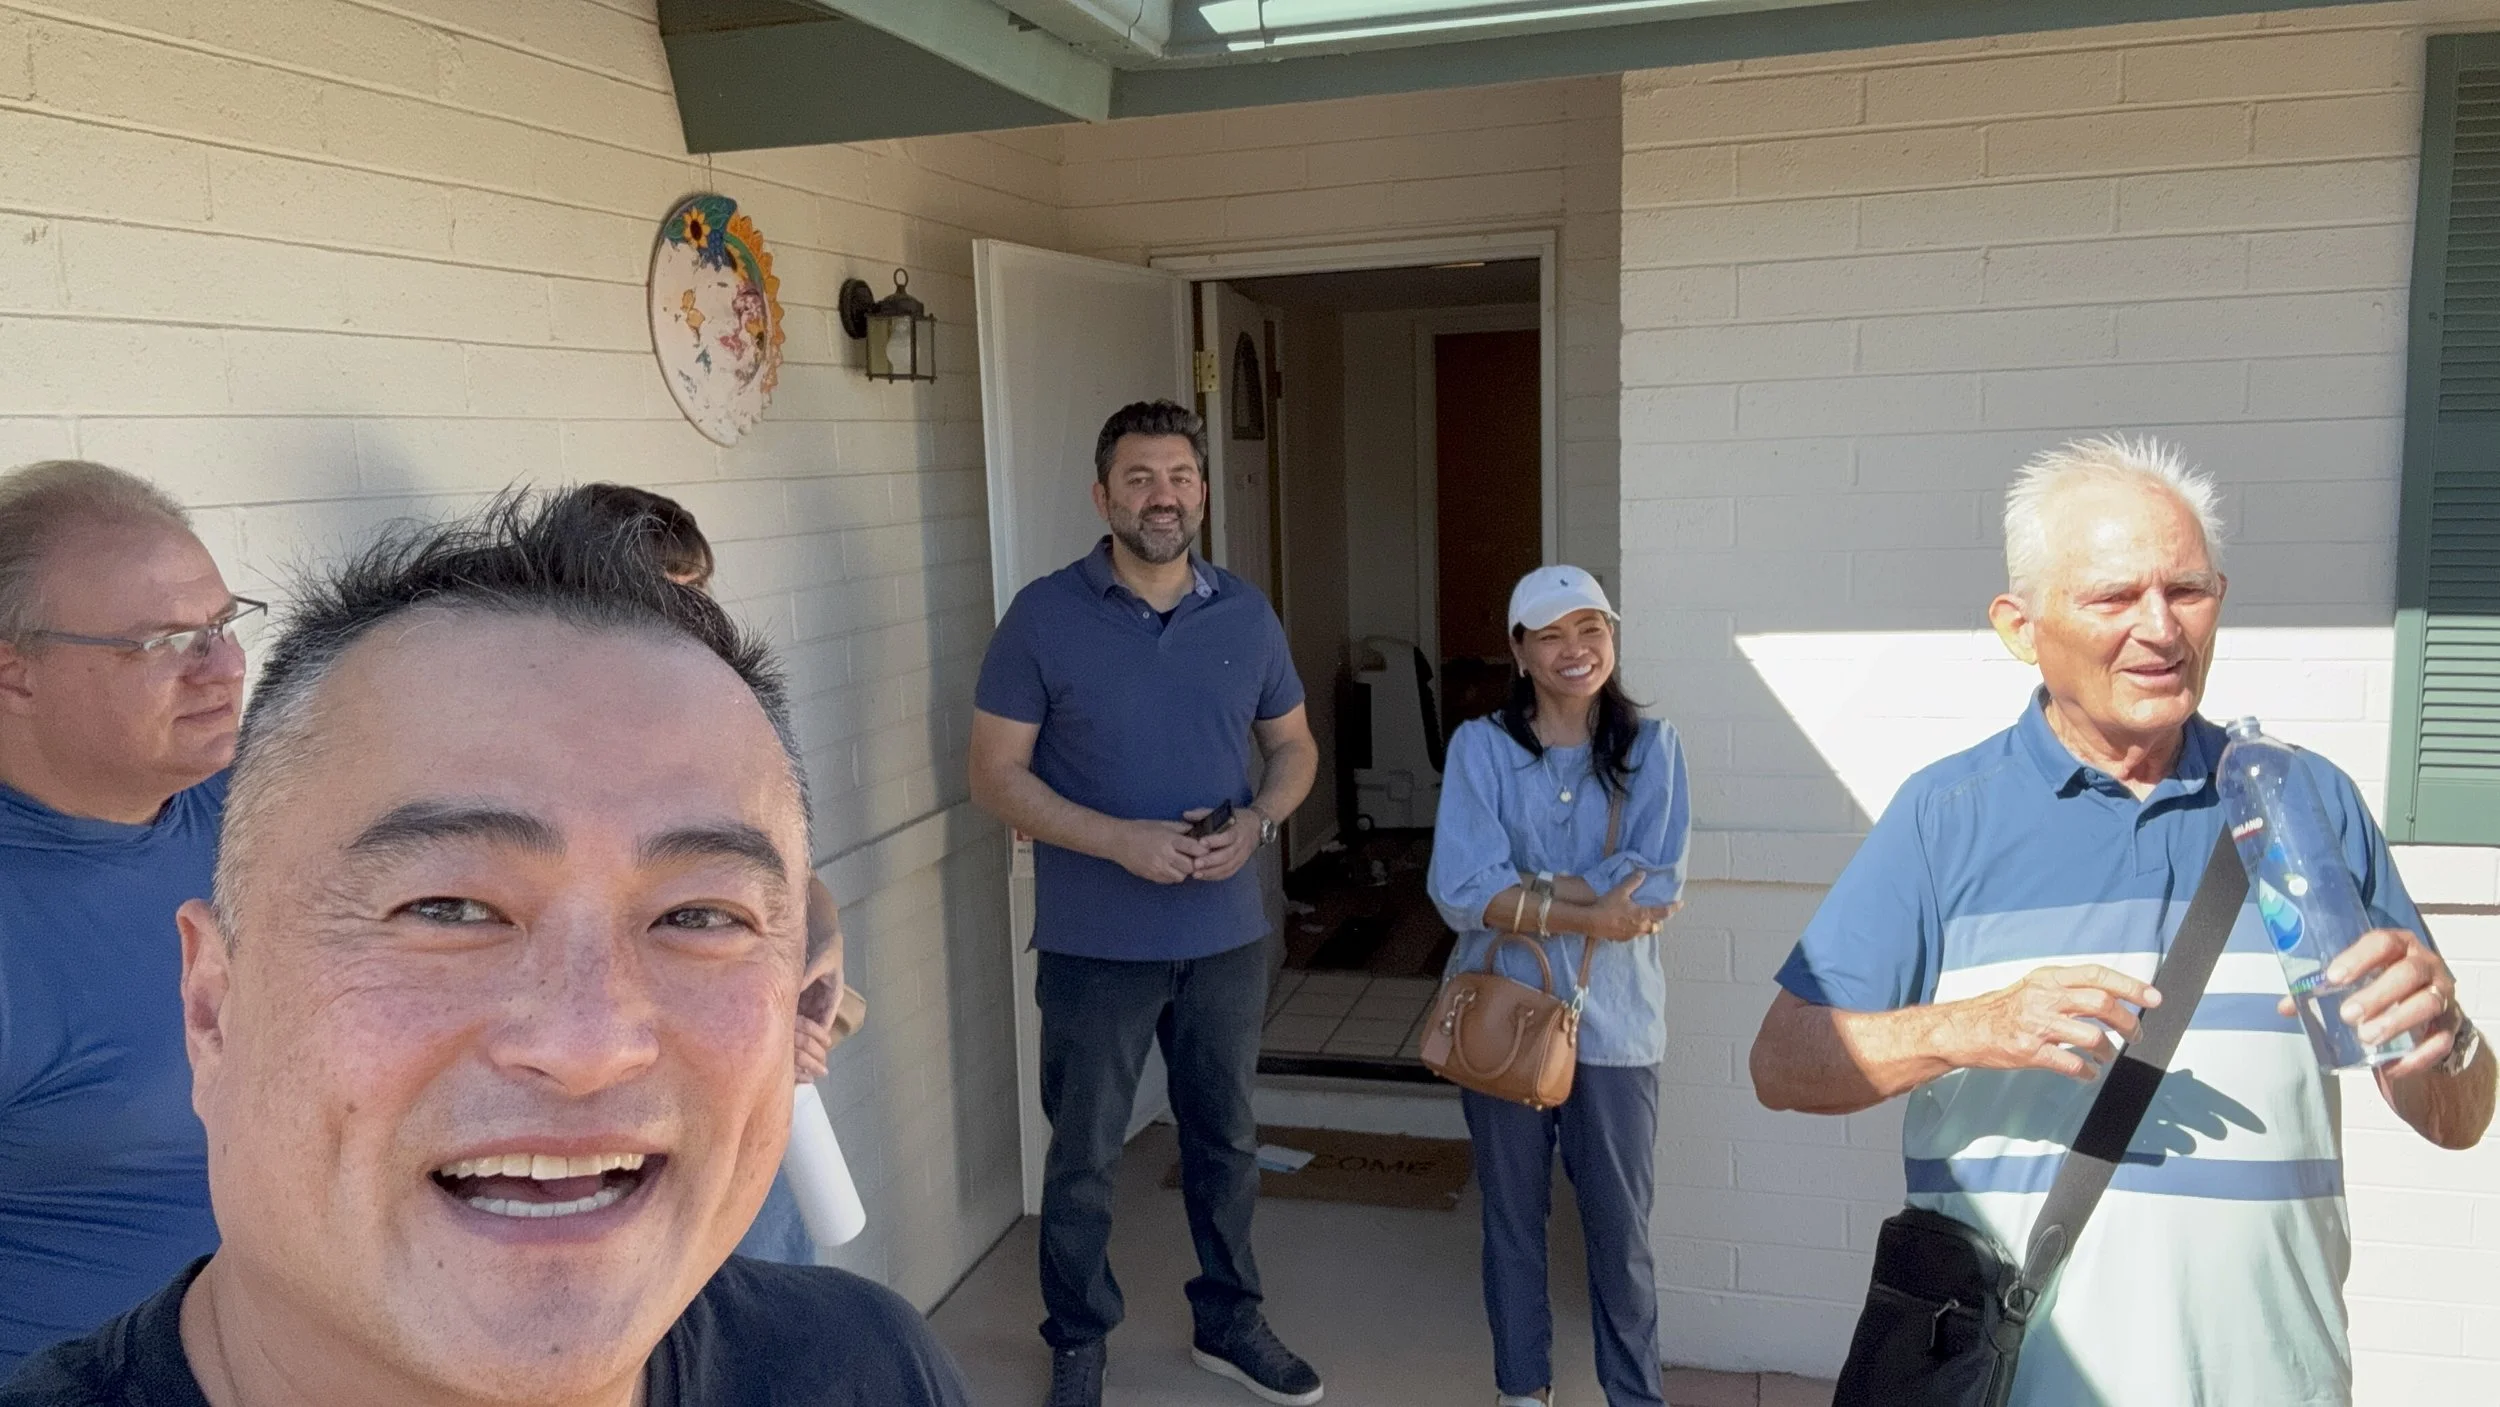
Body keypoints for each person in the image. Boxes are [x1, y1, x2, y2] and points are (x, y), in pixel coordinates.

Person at [1, 491, 970, 1406]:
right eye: (450, 908)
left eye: (698, 914)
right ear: (212, 1006)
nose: (588, 1044)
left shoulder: (864, 1367)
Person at [1748, 438, 2494, 1405]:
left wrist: (2450, 1034)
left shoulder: (2307, 801)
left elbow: (2456, 1118)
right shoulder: (1946, 816)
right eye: (2113, 597)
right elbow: (1784, 1062)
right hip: (2024, 1385)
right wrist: (1974, 1025)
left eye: (2187, 590)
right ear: (2020, 627)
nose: (2161, 627)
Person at [969, 401, 1323, 1407]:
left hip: (1223, 935)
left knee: (1226, 1140)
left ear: (1201, 493)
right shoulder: (1042, 616)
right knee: (1083, 1157)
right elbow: (994, 775)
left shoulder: (1246, 614)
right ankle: (1079, 1337)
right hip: (1095, 942)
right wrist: (1118, 840)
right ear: (1102, 496)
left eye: (1178, 477)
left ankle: (1230, 1320)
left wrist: (1260, 820)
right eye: (1138, 478)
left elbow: (1294, 745)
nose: (1161, 496)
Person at [558, 480, 860, 1266]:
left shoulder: (737, 718)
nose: (692, 622)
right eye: (664, 596)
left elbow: (788, 878)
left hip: (747, 1073)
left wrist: (819, 947)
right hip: (631, 1085)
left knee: (775, 1281)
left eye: (699, 594)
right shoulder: (549, 743)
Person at [0, 461, 258, 1375]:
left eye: (223, 624)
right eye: (164, 642)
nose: (224, 667)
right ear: (14, 673)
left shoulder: (257, 802)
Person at [1426, 566, 1691, 1407]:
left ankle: (1634, 1395)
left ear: (1611, 636)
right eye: (1551, 634)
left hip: (1617, 1025)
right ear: (1520, 651)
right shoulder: (1482, 747)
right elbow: (1459, 889)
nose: (1575, 648)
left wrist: (1525, 885)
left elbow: (1654, 886)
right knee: (1511, 1219)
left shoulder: (1654, 748)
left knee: (1620, 1233)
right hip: (1502, 1016)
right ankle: (1522, 1390)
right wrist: (1586, 904)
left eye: (1591, 628)